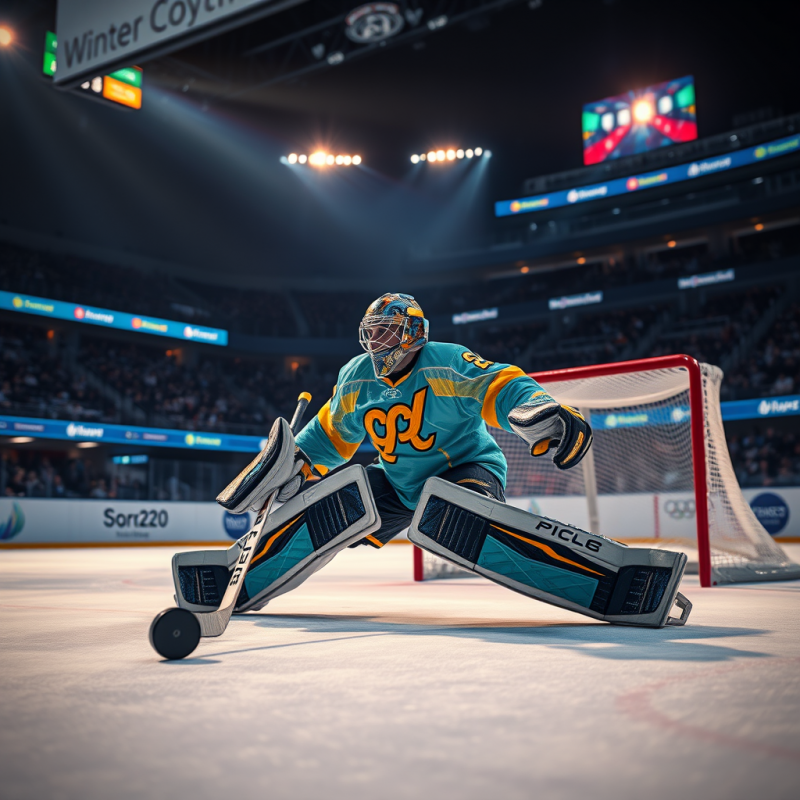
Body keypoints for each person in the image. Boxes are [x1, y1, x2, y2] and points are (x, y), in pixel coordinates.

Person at [221, 292, 592, 551]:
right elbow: (332, 433)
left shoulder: (446, 362)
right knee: (330, 511)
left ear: (413, 331)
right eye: (371, 331)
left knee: (454, 513)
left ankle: (550, 555)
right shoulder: (356, 375)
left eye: (385, 330)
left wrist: (537, 406)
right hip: (398, 483)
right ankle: (248, 569)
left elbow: (499, 382)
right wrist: (299, 463)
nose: (375, 340)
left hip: (466, 470)